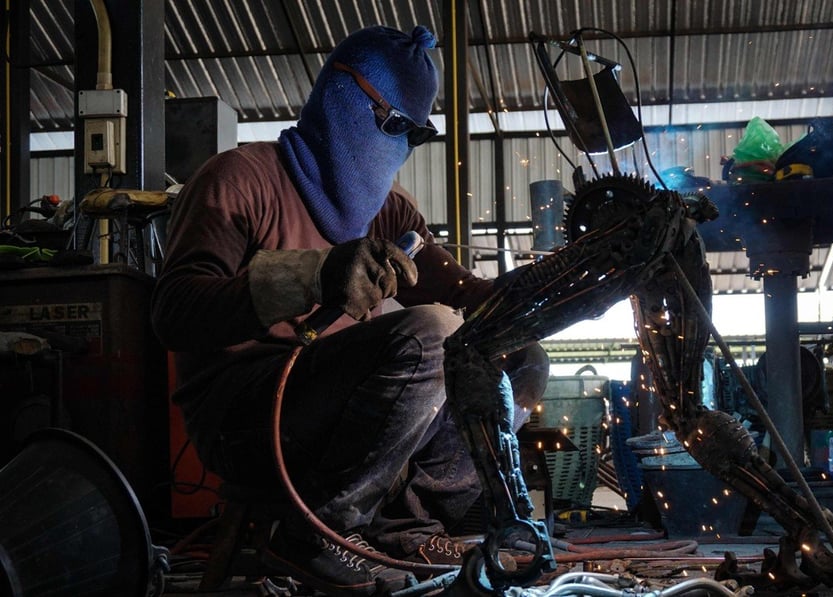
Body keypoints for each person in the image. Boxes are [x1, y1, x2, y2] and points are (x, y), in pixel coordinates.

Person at [151, 25, 549, 595]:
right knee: (429, 336)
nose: (400, 148)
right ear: (346, 102)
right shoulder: (238, 179)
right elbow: (174, 312)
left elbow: (470, 300)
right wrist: (312, 275)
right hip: (247, 422)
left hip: (351, 428)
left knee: (516, 354)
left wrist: (551, 289)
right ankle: (319, 533)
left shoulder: (391, 213)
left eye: (415, 134)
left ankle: (410, 525)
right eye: (392, 127)